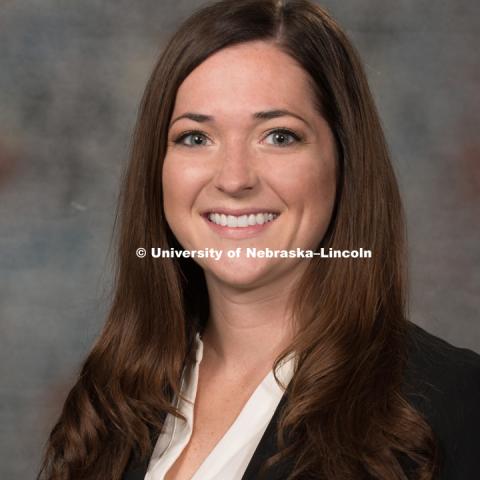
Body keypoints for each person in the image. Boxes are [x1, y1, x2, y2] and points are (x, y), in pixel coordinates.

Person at [38, 1, 480, 479]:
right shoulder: (108, 399)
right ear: (158, 168)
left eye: (279, 136)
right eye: (195, 137)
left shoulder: (450, 401)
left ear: (344, 160)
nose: (234, 179)